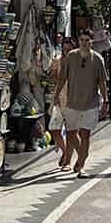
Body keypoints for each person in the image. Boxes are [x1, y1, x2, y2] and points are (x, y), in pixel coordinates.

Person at [53, 27, 108, 177]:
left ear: (92, 42)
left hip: (90, 103)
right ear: (78, 41)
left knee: (85, 135)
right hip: (72, 102)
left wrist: (106, 102)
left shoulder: (98, 59)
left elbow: (102, 82)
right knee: (71, 134)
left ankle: (81, 165)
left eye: (87, 41)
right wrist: (56, 95)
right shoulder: (71, 57)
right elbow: (62, 78)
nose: (84, 43)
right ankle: (82, 155)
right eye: (82, 40)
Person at [48, 34, 77, 170]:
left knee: (72, 132)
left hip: (73, 100)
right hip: (59, 99)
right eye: (65, 49)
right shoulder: (58, 60)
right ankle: (65, 152)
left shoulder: (79, 62)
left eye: (69, 49)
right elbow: (53, 77)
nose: (67, 51)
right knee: (54, 129)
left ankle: (68, 162)